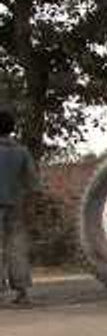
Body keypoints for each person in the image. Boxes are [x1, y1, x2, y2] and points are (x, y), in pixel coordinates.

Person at [0, 107, 40, 305]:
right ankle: (22, 291)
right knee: (16, 248)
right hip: (15, 206)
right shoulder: (21, 152)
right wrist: (31, 208)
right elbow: (33, 183)